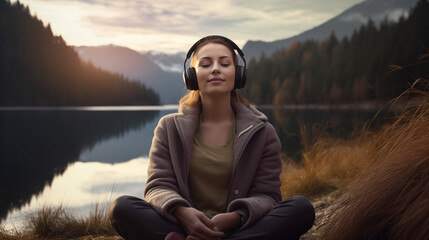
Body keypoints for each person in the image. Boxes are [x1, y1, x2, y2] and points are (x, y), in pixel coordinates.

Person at [109, 35, 315, 240]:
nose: (216, 68)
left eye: (225, 63)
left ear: (238, 74)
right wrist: (183, 212)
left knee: (300, 208)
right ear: (191, 76)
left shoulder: (262, 131)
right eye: (206, 64)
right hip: (182, 225)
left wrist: (235, 217)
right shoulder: (169, 127)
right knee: (122, 208)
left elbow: (268, 195)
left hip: (240, 227)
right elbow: (157, 186)